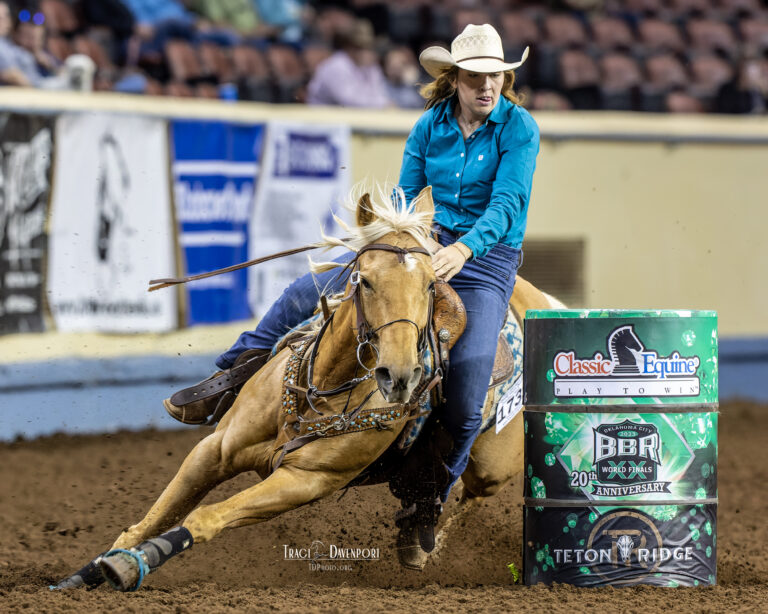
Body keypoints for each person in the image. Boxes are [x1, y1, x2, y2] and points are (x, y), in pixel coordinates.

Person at [165, 23, 538, 538]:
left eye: (496, 75)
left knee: (471, 383)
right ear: (454, 79)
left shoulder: (519, 129)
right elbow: (407, 195)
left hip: (486, 262)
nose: (487, 86)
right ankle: (228, 378)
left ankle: (429, 499)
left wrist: (461, 248)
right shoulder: (430, 125)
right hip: (424, 246)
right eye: (476, 75)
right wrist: (402, 238)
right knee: (304, 293)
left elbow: (508, 203)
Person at [306, 18, 391, 108]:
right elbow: (349, 100)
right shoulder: (335, 66)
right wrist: (383, 104)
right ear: (348, 46)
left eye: (367, 47)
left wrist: (385, 103)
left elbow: (379, 92)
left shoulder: (370, 66)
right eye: (359, 47)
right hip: (321, 118)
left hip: (348, 117)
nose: (365, 51)